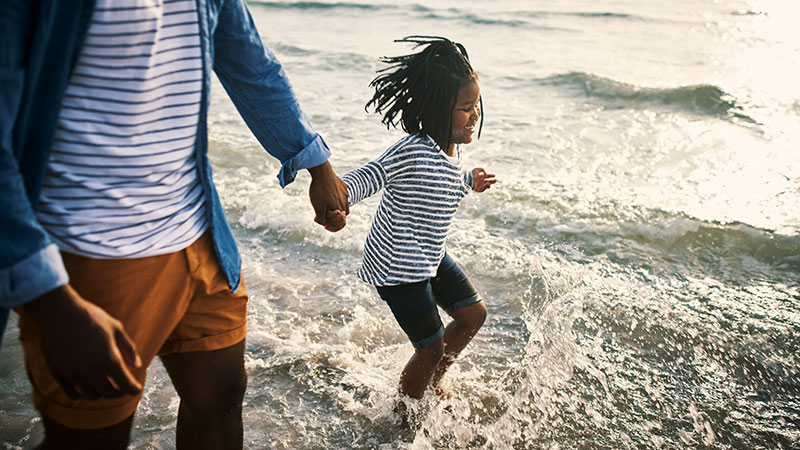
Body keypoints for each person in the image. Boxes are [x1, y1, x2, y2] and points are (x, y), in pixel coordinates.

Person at [0, 0, 348, 449]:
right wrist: (50, 301)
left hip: (201, 236)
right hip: (92, 251)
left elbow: (252, 65)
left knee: (221, 400)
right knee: (91, 438)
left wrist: (315, 163)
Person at [335, 36, 496, 404]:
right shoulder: (412, 150)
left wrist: (471, 181)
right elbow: (373, 174)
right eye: (466, 107)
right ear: (440, 110)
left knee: (473, 315)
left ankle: (430, 383)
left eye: (477, 106)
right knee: (431, 347)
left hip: (429, 255)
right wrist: (340, 195)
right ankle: (404, 414)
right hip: (398, 267)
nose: (475, 115)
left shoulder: (450, 153)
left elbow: (448, 180)